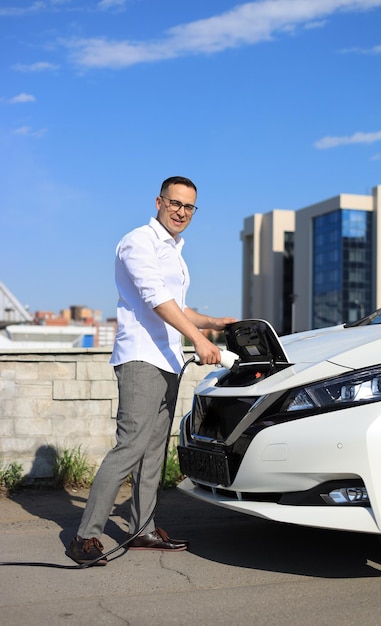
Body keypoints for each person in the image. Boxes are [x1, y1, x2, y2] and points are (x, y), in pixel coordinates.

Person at [67, 176, 237, 565]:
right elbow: (155, 297)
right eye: (175, 203)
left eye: (189, 207)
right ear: (159, 201)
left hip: (168, 359)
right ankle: (86, 536)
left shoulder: (175, 250)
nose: (181, 212)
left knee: (153, 453)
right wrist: (199, 339)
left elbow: (178, 304)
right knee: (130, 447)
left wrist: (213, 323)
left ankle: (142, 529)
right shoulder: (138, 241)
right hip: (141, 358)